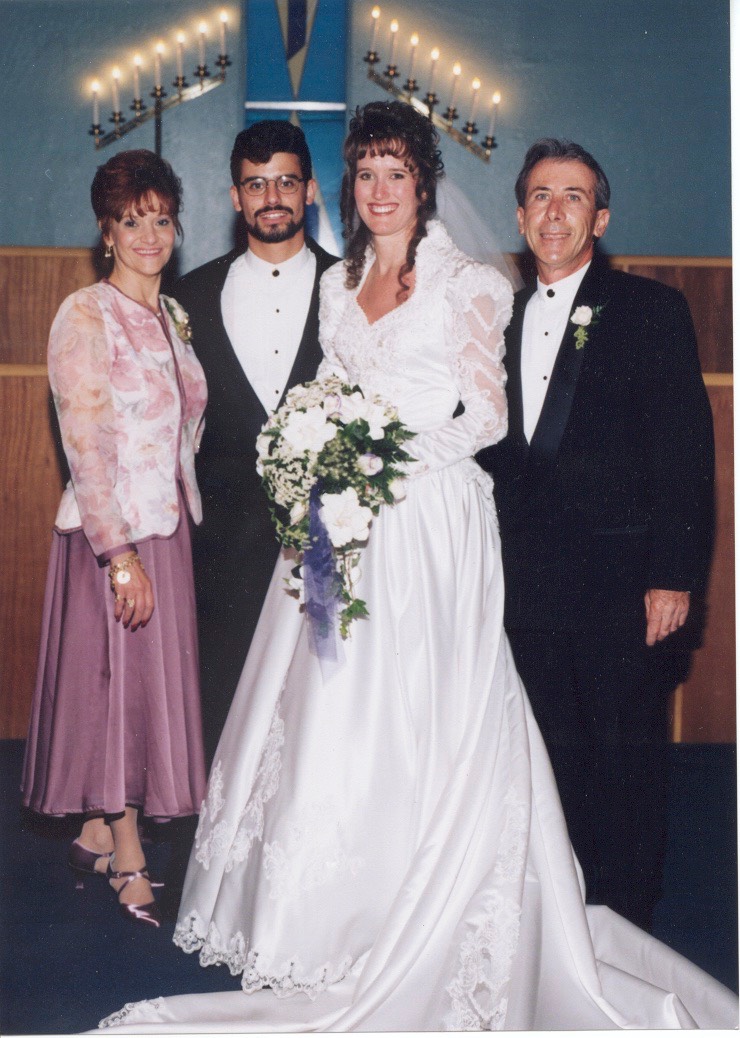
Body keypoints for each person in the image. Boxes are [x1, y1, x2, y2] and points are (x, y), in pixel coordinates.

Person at [98, 105, 735, 1031]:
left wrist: (374, 461)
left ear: (424, 183)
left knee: (427, 709)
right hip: (338, 531)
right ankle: (331, 920)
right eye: (365, 174)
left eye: (397, 173)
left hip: (432, 520)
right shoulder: (336, 286)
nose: (381, 190)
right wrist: (321, 461)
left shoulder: (471, 283)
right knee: (332, 711)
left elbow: (484, 418)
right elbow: (330, 391)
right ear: (348, 188)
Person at [478, 138, 715, 933]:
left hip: (623, 588)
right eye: (540, 196)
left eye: (573, 197)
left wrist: (674, 575)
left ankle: (626, 928)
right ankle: (561, 922)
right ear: (519, 216)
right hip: (524, 586)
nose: (554, 211)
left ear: (600, 217)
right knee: (548, 761)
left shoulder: (650, 311)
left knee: (627, 763)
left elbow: (685, 453)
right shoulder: (494, 319)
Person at [21, 150, 207, 929]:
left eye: (161, 218)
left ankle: (98, 830)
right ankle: (126, 852)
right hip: (115, 537)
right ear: (107, 232)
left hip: (168, 528)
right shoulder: (84, 314)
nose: (150, 234)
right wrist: (120, 555)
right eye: (133, 221)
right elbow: (85, 443)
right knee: (118, 696)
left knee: (141, 698)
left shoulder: (170, 315)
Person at [175, 120, 339, 765]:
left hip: (330, 539)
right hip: (223, 540)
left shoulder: (355, 288)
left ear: (311, 190)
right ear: (235, 197)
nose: (272, 197)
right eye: (256, 184)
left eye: (286, 182)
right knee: (222, 702)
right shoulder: (186, 296)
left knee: (325, 705)